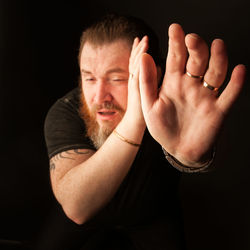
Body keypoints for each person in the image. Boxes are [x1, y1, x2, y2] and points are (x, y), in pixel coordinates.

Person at [44, 14, 246, 250]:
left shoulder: (175, 107)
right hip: (85, 220)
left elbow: (230, 166)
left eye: (118, 78)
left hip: (153, 214)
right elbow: (77, 207)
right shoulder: (66, 111)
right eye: (89, 78)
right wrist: (135, 118)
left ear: (155, 73)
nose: (99, 97)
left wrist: (192, 159)